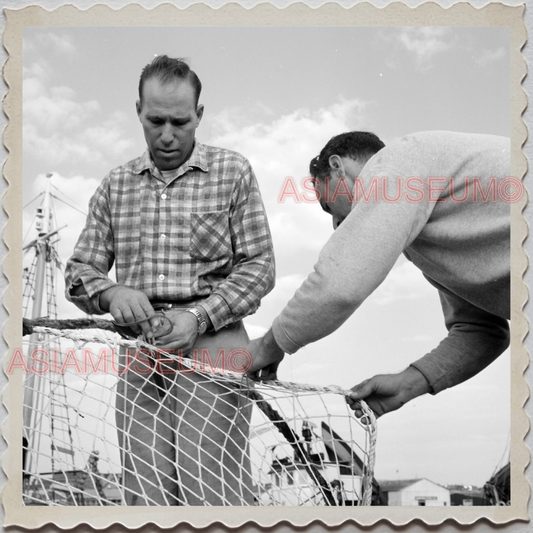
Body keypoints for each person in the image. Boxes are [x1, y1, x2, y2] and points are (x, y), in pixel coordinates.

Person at [65, 55, 275, 505]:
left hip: (217, 346)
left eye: (180, 122)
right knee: (145, 495)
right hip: (141, 356)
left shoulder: (233, 172)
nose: (166, 135)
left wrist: (198, 317)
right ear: (137, 110)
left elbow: (260, 266)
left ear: (199, 115)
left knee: (211, 492)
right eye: (154, 120)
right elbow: (78, 272)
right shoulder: (114, 184)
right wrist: (111, 292)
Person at [248, 130, 510, 420]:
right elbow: (483, 332)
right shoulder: (426, 235)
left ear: (337, 167)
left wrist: (266, 346)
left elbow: (341, 283)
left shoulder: (397, 160)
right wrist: (409, 383)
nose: (336, 224)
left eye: (328, 205)